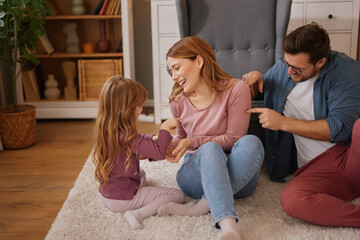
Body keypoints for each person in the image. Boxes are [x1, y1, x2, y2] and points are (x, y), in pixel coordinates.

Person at [243, 22, 360, 227]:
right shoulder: (286, 67)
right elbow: (263, 86)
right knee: (291, 199)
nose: (288, 72)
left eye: (296, 69)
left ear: (321, 61)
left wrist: (283, 123)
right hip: (317, 169)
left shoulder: (346, 71)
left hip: (349, 157)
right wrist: (255, 80)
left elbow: (340, 128)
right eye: (285, 63)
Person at [156, 36, 264, 240]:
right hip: (196, 175)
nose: (173, 77)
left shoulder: (236, 89)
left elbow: (234, 139)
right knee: (210, 149)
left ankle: (200, 207)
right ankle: (228, 226)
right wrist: (159, 144)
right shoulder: (178, 101)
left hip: (240, 172)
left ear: (198, 60)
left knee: (252, 142)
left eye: (177, 68)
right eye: (171, 71)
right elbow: (182, 139)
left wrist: (193, 141)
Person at [92, 76, 185, 230]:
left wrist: (154, 138)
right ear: (125, 109)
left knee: (140, 172)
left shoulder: (110, 130)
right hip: (121, 199)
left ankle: (136, 201)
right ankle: (137, 213)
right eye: (138, 106)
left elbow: (138, 139)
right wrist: (164, 129)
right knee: (178, 196)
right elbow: (159, 153)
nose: (141, 109)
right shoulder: (126, 137)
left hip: (107, 195)